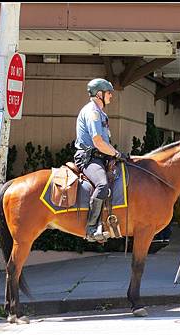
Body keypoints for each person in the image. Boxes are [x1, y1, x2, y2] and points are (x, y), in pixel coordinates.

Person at [74, 78, 127, 242]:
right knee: (102, 184)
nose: (111, 95)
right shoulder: (93, 112)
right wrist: (116, 154)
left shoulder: (101, 113)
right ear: (99, 94)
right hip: (89, 158)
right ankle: (91, 229)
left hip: (100, 157)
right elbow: (98, 142)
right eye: (108, 92)